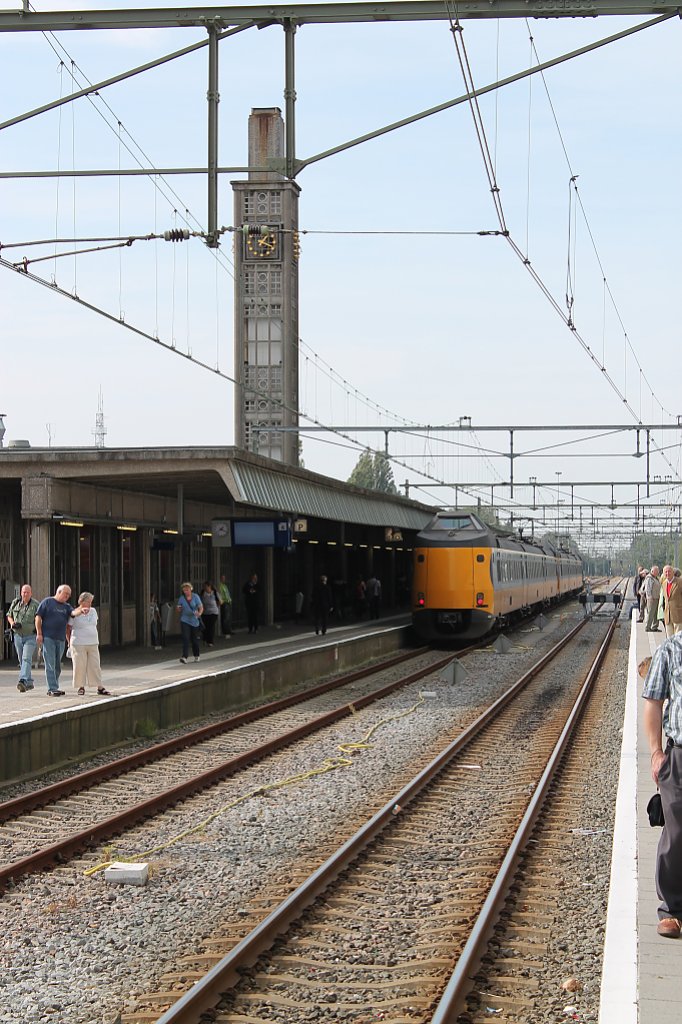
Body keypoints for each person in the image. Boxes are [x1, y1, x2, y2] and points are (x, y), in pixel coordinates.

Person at [642, 636, 682, 937]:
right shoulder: (671, 649)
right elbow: (653, 703)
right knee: (677, 831)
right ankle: (672, 910)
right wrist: (656, 753)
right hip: (679, 755)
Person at [35, 584, 74, 696]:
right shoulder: (47, 602)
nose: (67, 596)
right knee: (50, 663)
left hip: (60, 638)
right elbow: (38, 617)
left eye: (69, 595)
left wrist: (82, 609)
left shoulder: (66, 607)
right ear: (59, 592)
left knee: (57, 665)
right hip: (48, 637)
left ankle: (55, 685)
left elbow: (73, 613)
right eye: (65, 594)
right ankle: (52, 688)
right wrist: (39, 633)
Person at [69, 591, 110, 696]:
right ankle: (80, 686)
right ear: (82, 602)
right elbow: (68, 626)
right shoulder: (74, 612)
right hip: (78, 642)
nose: (90, 604)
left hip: (93, 642)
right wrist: (69, 641)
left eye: (91, 602)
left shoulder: (93, 611)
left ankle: (99, 686)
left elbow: (94, 623)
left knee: (95, 665)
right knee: (79, 665)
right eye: (88, 602)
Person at [7, 583, 40, 693]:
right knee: (22, 660)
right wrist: (12, 623)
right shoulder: (15, 602)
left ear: (31, 593)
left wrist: (39, 632)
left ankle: (23, 680)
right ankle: (29, 682)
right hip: (18, 636)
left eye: (27, 592)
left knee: (26, 658)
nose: (25, 594)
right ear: (21, 593)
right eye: (23, 592)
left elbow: (39, 619)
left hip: (30, 636)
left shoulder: (35, 604)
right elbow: (9, 614)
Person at [177, 582, 203, 664]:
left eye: (187, 590)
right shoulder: (182, 598)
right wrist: (179, 608)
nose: (186, 592)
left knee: (194, 640)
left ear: (191, 589)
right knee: (185, 638)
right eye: (184, 590)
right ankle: (184, 657)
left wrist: (199, 613)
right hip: (185, 620)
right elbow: (178, 608)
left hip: (194, 621)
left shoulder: (195, 597)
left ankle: (197, 655)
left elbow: (201, 607)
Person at [661, 565, 682, 637]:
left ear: (673, 572)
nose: (667, 573)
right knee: (669, 639)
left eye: (669, 571)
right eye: (665, 572)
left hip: (678, 615)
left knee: (678, 639)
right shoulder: (664, 583)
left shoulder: (679, 582)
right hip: (668, 616)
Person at [200, 581, 220, 647]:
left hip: (213, 612)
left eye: (205, 586)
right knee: (205, 627)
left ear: (209, 586)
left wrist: (216, 606)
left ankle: (210, 641)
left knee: (211, 626)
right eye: (204, 586)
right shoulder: (203, 593)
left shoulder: (215, 593)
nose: (204, 588)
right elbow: (199, 601)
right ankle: (205, 639)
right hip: (205, 612)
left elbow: (220, 601)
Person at [644, 566, 662, 632]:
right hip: (652, 599)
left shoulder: (655, 578)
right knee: (651, 613)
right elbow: (648, 588)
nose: (658, 572)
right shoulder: (649, 578)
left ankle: (655, 627)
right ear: (653, 571)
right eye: (657, 571)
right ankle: (647, 627)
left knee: (656, 613)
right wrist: (649, 596)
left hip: (656, 598)